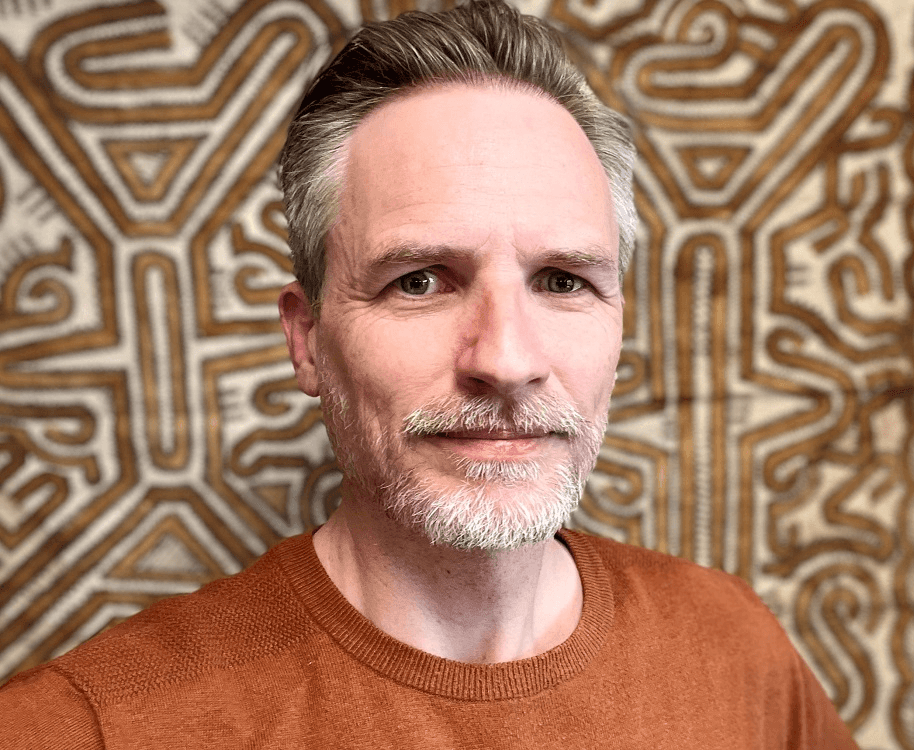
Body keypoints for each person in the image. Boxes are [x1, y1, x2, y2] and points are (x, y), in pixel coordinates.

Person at [0, 1, 859, 747]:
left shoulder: (737, 652)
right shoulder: (88, 727)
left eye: (564, 281)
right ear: (308, 342)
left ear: (619, 322)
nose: (507, 361)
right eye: (420, 281)